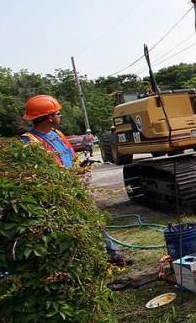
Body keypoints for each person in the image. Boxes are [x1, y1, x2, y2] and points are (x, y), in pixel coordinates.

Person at [20, 95, 132, 266]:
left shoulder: (57, 134)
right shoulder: (30, 141)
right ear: (50, 117)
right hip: (56, 194)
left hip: (75, 187)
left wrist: (80, 166)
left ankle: (111, 253)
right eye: (58, 113)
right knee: (73, 228)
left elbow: (69, 156)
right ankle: (83, 261)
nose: (60, 116)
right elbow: (35, 172)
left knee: (94, 220)